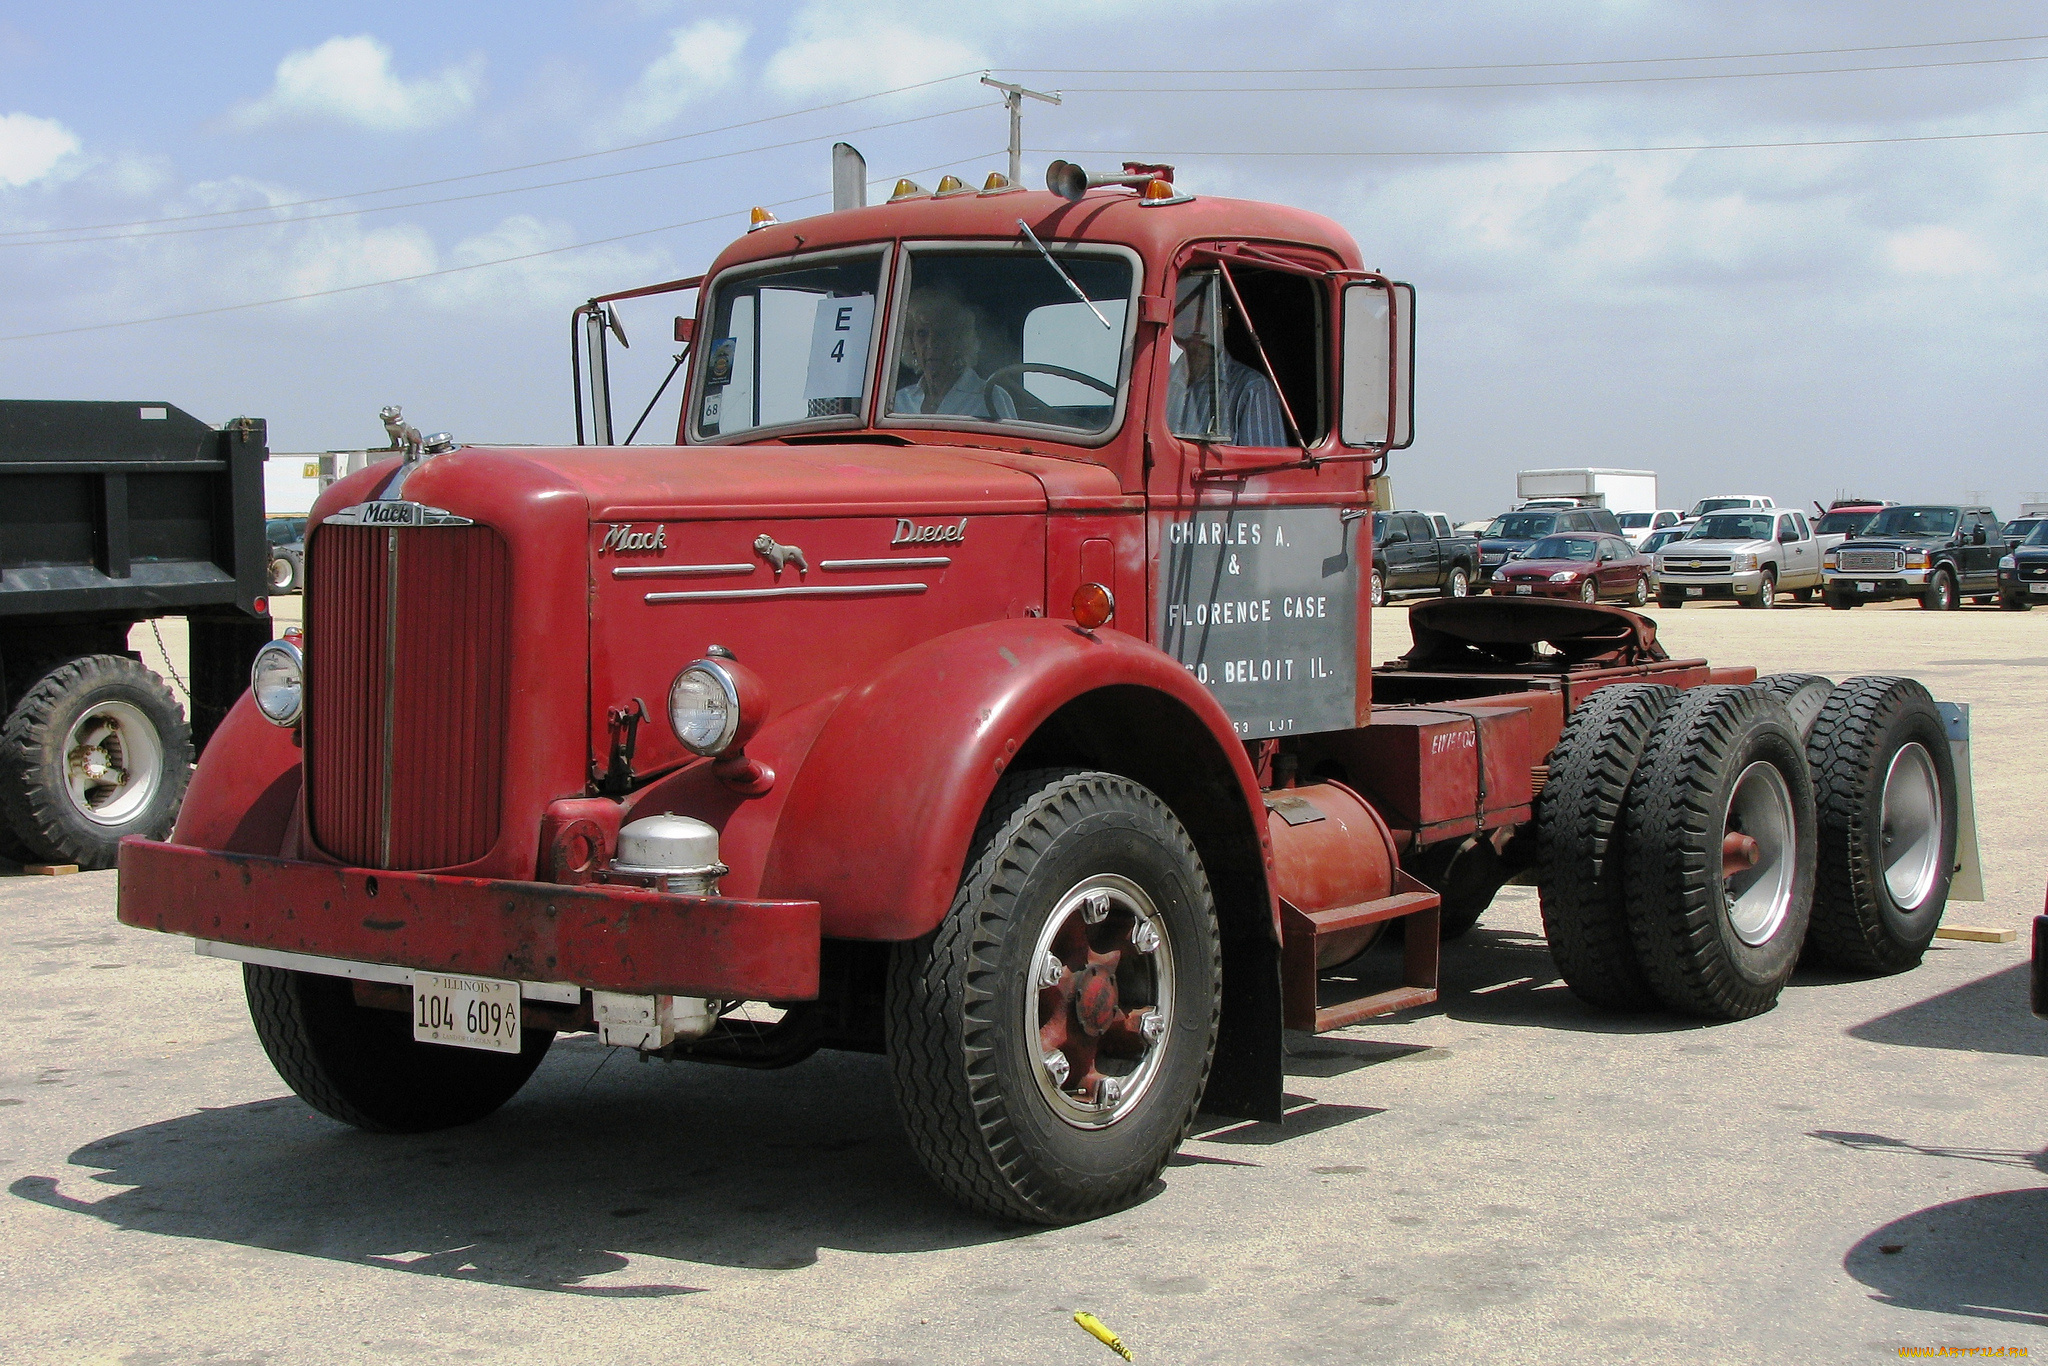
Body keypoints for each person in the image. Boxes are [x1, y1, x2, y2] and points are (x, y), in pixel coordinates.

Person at [1166, 274, 1288, 447]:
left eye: (1203, 312)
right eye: (1184, 312)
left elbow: (1264, 463)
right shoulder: (1158, 384)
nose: (1194, 323)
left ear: (1223, 318)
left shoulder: (1252, 389)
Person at [893, 290, 1017, 421]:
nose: (931, 343)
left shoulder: (992, 397)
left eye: (941, 333)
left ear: (959, 341)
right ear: (911, 342)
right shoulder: (898, 401)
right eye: (922, 334)